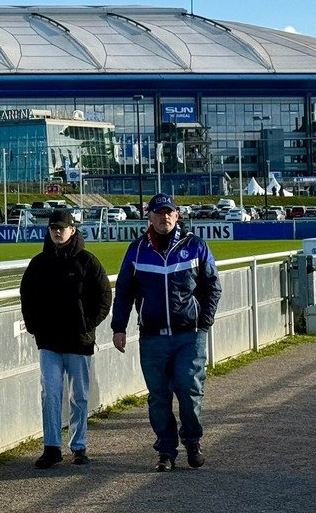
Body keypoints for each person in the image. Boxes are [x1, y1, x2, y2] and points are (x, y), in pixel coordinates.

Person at [111, 193, 222, 472]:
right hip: (152, 336)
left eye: (169, 212)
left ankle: (193, 442)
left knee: (189, 390)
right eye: (159, 213)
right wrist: (119, 327)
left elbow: (212, 287)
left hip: (189, 335)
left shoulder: (195, 246)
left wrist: (204, 321)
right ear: (148, 215)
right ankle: (166, 451)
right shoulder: (137, 249)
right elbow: (124, 291)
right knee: (158, 397)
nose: (164, 217)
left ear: (177, 214)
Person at [20, 209, 112, 469]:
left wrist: (88, 325)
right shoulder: (38, 264)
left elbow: (105, 296)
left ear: (73, 230)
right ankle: (51, 448)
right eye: (53, 228)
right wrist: (34, 327)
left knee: (79, 396)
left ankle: (79, 446)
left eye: (62, 228)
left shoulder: (88, 262)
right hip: (48, 342)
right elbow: (26, 295)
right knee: (50, 393)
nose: (57, 232)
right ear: (48, 231)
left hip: (78, 342)